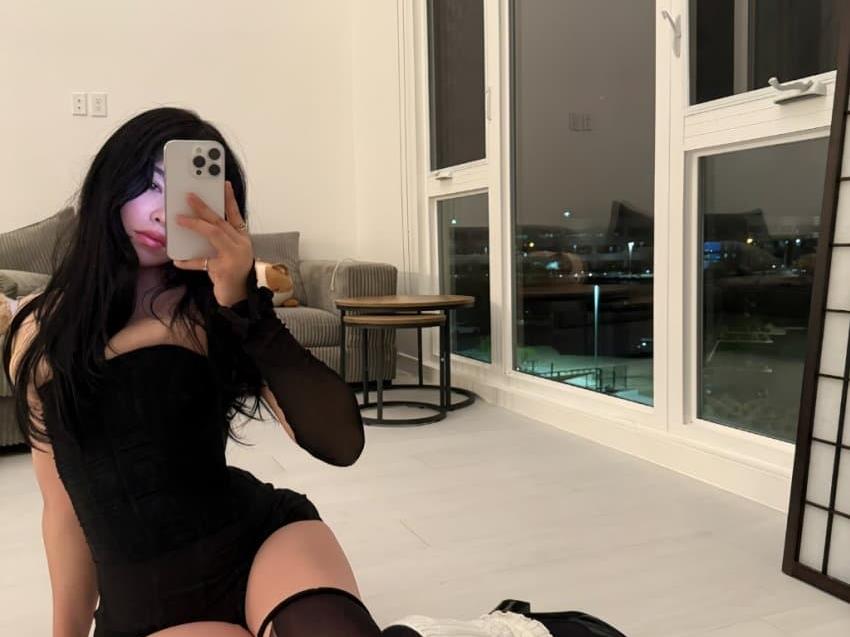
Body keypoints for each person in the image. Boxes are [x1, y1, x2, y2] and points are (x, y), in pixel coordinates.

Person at [2, 107, 626, 637]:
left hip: (259, 543)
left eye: (184, 191)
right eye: (147, 184)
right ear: (109, 187)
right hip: (144, 599)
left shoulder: (217, 314)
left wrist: (244, 304)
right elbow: (63, 510)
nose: (164, 211)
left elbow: (340, 442)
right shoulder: (37, 331)